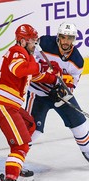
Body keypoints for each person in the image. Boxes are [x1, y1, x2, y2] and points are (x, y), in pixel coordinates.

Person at [0, 24, 63, 181]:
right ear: (22, 41)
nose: (35, 44)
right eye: (32, 41)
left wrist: (55, 78)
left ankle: (15, 166)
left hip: (7, 103)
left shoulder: (27, 56)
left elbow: (34, 75)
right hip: (0, 102)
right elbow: (19, 70)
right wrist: (41, 67)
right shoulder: (17, 51)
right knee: (21, 145)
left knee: (29, 125)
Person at [25, 23, 87, 159]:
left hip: (59, 95)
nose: (66, 41)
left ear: (74, 39)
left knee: (80, 124)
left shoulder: (77, 60)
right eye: (63, 37)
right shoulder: (44, 43)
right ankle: (18, 158)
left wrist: (62, 92)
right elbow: (29, 64)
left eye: (69, 38)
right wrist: (45, 76)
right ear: (58, 36)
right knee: (32, 129)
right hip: (38, 92)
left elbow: (71, 84)